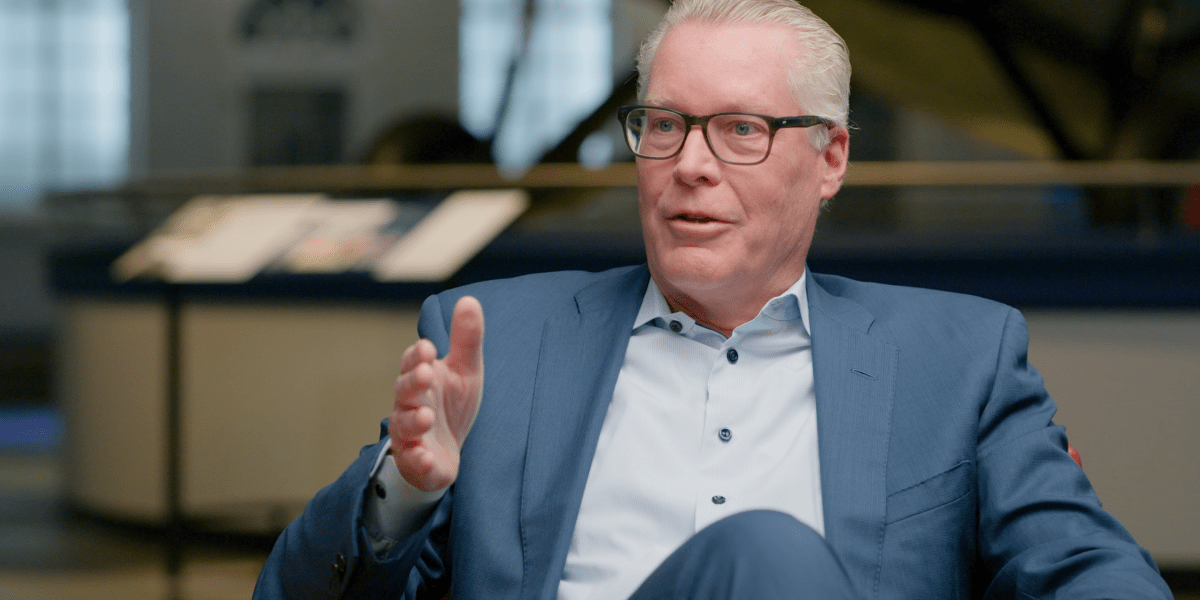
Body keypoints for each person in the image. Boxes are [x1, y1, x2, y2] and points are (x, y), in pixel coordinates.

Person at [254, 1, 1173, 598]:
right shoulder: (499, 344)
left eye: (740, 129)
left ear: (831, 159)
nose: (690, 164)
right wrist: (405, 493)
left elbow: (1090, 571)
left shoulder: (958, 359)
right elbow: (290, 592)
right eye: (664, 125)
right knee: (764, 554)